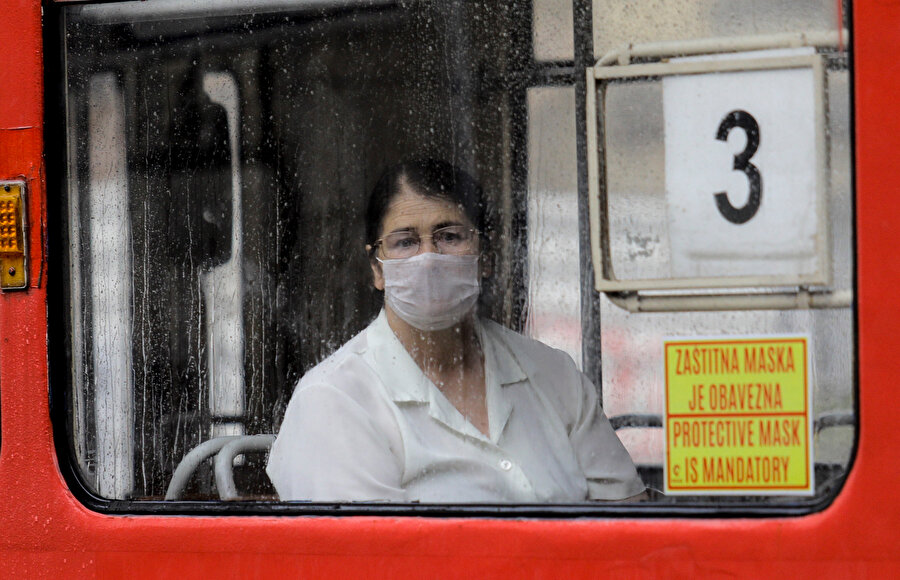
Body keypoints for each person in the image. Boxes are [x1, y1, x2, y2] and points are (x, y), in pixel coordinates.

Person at [266, 159, 645, 502]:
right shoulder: (336, 400)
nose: (429, 259)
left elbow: (630, 526)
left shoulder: (554, 376)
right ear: (377, 269)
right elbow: (373, 563)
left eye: (450, 236)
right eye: (405, 242)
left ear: (486, 255)